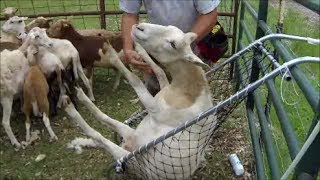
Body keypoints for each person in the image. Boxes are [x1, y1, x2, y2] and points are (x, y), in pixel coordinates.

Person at [120, 0, 221, 95]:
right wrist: (128, 49)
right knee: (156, 94)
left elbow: (209, 14)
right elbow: (130, 14)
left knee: (193, 95)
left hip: (194, 43)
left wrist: (184, 44)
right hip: (157, 46)